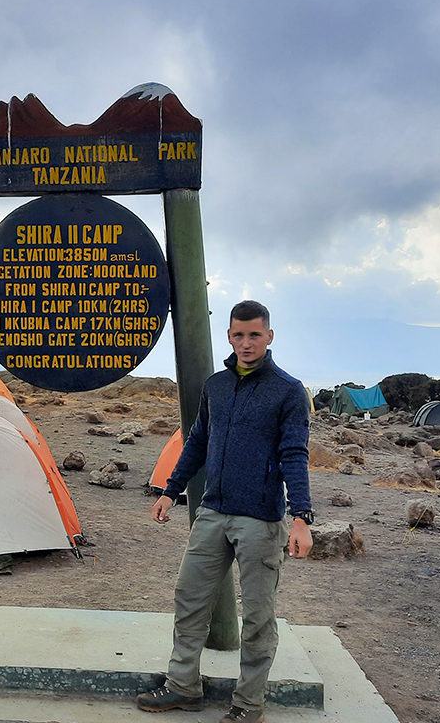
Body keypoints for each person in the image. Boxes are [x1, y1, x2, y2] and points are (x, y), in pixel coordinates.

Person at [137, 300, 313, 723]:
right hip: (212, 512)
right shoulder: (216, 385)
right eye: (238, 334)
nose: (246, 343)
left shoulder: (288, 390)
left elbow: (295, 454)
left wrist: (302, 516)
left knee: (257, 615)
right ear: (229, 336)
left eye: (254, 334)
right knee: (189, 598)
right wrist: (169, 490)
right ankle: (183, 687)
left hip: (260, 519)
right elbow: (197, 441)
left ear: (269, 336)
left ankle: (248, 705)